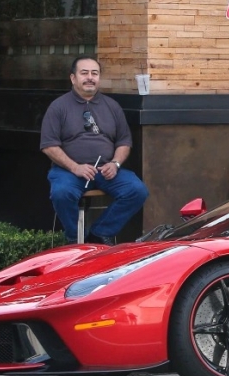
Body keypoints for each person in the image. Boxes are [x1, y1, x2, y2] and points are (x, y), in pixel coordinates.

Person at [40, 56, 149, 245]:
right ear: (73, 78)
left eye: (94, 73)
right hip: (69, 172)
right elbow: (49, 145)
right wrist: (75, 167)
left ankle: (100, 233)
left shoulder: (112, 106)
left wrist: (115, 164)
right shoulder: (58, 107)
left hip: (104, 171)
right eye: (84, 73)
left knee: (136, 190)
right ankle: (75, 238)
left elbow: (124, 142)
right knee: (61, 193)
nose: (90, 77)